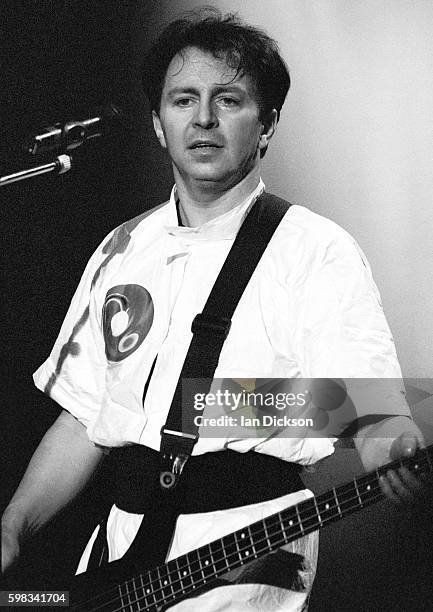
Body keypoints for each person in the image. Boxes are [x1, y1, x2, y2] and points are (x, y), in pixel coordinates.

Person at [2, 10, 425, 611]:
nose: (203, 118)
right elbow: (82, 419)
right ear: (157, 123)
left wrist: (392, 445)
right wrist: (14, 524)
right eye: (183, 100)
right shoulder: (122, 249)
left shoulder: (315, 248)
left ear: (268, 123)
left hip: (245, 553)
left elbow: (370, 404)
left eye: (228, 99)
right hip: (120, 554)